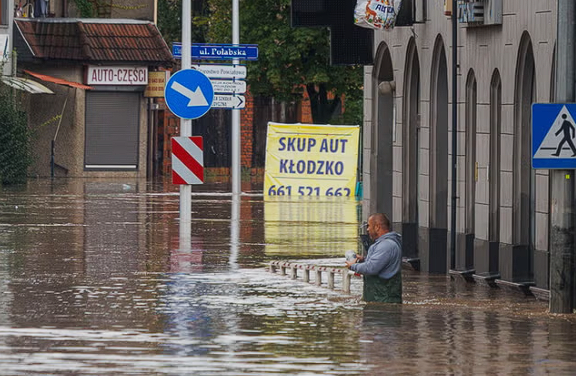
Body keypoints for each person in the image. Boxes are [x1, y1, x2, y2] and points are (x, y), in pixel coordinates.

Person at [345, 213, 402, 303]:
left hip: (383, 303)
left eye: (369, 226)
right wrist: (363, 259)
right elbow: (378, 264)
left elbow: (371, 268)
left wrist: (353, 266)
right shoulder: (383, 244)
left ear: (377, 227)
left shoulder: (386, 245)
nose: (367, 229)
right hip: (378, 300)